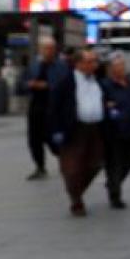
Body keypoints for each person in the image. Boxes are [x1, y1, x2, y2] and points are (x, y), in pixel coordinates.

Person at [48, 49, 106, 217]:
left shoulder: (98, 81)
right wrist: (56, 131)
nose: (93, 65)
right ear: (78, 64)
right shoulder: (65, 83)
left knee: (95, 164)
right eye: (89, 62)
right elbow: (53, 109)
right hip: (74, 129)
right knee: (72, 168)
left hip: (95, 128)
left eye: (94, 61)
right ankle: (76, 199)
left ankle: (76, 192)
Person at [100, 53, 130, 210]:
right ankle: (115, 195)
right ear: (111, 69)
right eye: (118, 67)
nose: (122, 69)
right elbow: (103, 105)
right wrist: (109, 108)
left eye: (123, 66)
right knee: (115, 162)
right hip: (114, 131)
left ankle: (113, 183)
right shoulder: (105, 85)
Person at [21, 37, 69, 181]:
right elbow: (21, 84)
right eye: (45, 48)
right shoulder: (33, 66)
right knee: (34, 139)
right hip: (36, 107)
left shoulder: (61, 67)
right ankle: (40, 167)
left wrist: (48, 86)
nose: (48, 51)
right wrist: (29, 85)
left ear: (55, 50)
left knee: (53, 138)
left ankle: (66, 161)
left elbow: (66, 86)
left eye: (50, 48)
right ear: (40, 49)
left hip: (53, 107)